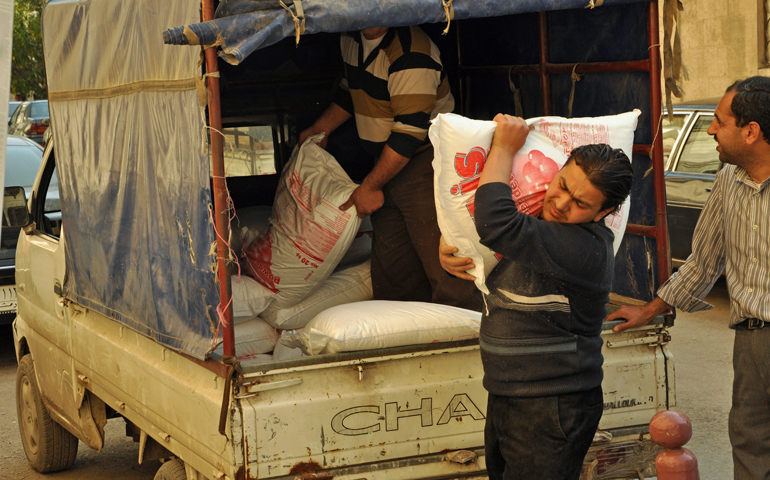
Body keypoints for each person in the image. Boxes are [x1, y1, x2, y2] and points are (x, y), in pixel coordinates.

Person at [441, 114, 634, 479]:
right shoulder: (542, 230)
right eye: (561, 185)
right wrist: (452, 247)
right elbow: (489, 248)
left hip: (553, 407)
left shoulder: (584, 248)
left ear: (605, 213)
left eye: (580, 203)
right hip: (509, 395)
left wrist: (503, 147)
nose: (561, 203)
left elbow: (496, 223)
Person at [606, 76, 770, 480]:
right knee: (750, 444)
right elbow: (704, 260)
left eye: (719, 121)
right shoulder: (729, 179)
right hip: (753, 341)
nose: (711, 130)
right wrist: (650, 309)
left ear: (751, 132)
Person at [299, 26, 482, 311]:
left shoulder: (412, 52)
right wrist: (321, 128)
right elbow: (353, 89)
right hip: (387, 163)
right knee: (394, 273)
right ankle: (409, 343)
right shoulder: (349, 36)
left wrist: (370, 187)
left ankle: (460, 341)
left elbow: (408, 134)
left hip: (427, 163)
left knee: (445, 264)